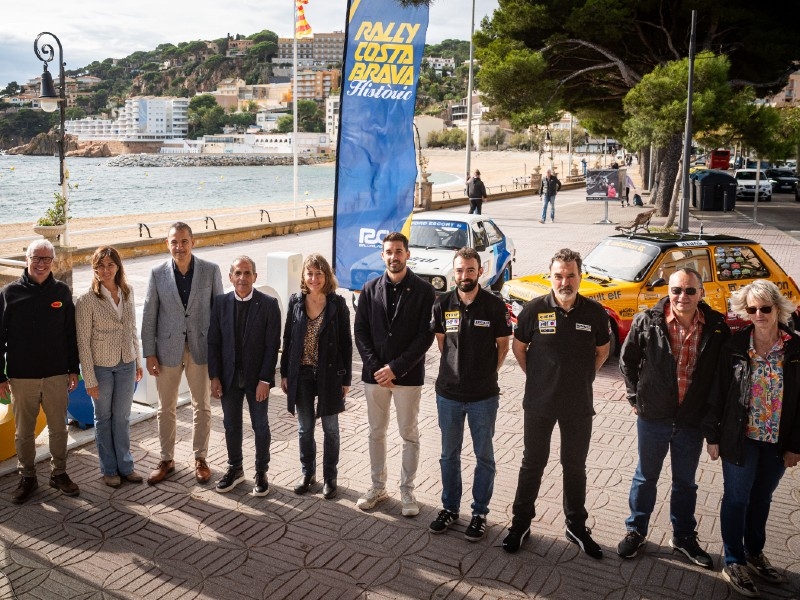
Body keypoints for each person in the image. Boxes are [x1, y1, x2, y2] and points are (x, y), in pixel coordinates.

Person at [617, 268, 730, 567]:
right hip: (653, 416)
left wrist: (712, 422)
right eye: (677, 290)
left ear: (701, 293)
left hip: (690, 421)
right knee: (645, 477)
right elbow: (627, 360)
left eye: (690, 291)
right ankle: (636, 531)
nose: (683, 297)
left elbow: (721, 378)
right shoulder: (647, 321)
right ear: (668, 291)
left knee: (685, 483)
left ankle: (683, 537)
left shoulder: (717, 327)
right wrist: (634, 397)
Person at [502, 248, 610, 558]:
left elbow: (602, 351)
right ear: (551, 276)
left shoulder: (594, 312)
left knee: (574, 467)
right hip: (539, 403)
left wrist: (582, 378)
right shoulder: (534, 310)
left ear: (580, 276)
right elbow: (519, 348)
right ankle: (520, 524)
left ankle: (576, 525)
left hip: (578, 405)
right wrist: (538, 378)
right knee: (532, 464)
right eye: (559, 275)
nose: (565, 281)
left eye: (571, 275)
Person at [704, 280, 800, 598]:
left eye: (765, 308)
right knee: (736, 498)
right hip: (740, 438)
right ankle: (733, 560)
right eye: (752, 309)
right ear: (745, 312)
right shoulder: (733, 346)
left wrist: (796, 445)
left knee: (763, 498)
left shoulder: (795, 349)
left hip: (777, 442)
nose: (759, 314)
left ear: (778, 308)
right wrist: (713, 436)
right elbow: (717, 393)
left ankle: (754, 553)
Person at [428, 247, 511, 541]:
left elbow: (503, 345)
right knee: (448, 455)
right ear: (455, 272)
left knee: (484, 456)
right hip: (448, 393)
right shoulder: (442, 304)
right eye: (460, 270)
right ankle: (450, 508)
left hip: (483, 396)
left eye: (470, 270)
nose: (464, 276)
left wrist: (488, 371)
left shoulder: (493, 305)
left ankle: (479, 513)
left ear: (480, 271)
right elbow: (442, 342)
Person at [354, 232, 435, 516]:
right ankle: (378, 486)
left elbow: (425, 336)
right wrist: (377, 368)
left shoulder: (424, 291)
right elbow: (360, 331)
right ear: (382, 255)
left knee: (408, 434)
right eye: (389, 252)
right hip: (374, 377)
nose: (394, 256)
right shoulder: (369, 288)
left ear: (407, 254)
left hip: (407, 377)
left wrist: (396, 368)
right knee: (376, 433)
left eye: (399, 251)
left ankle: (407, 490)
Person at [141, 222, 223, 485]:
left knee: (203, 406)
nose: (179, 246)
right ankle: (167, 459)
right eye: (174, 242)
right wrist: (149, 353)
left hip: (200, 349)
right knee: (166, 407)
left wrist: (218, 352)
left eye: (184, 241)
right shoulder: (157, 274)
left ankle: (201, 458)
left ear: (193, 242)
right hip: (167, 350)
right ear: (167, 244)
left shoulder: (211, 271)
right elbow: (149, 315)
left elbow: (219, 314)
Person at [0, 239, 80, 503]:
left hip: (57, 374)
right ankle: (28, 477)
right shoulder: (9, 294)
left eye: (47, 259)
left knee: (59, 429)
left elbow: (71, 333)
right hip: (22, 377)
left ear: (53, 262)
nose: (41, 264)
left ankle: (59, 473)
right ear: (27, 259)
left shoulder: (61, 292)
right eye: (37, 258)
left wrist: (72, 369)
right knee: (24, 432)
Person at [281, 253, 352, 500]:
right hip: (301, 374)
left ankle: (330, 478)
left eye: (319, 273)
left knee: (331, 428)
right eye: (309, 273)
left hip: (330, 375)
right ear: (304, 276)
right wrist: (284, 372)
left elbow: (346, 342)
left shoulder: (338, 304)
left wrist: (346, 379)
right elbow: (288, 338)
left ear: (326, 276)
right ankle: (307, 473)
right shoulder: (295, 302)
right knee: (305, 428)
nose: (314, 278)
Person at [208, 256, 280, 496]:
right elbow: (214, 342)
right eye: (237, 273)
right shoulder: (219, 303)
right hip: (228, 379)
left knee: (260, 426)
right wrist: (214, 376)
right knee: (231, 425)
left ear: (255, 277)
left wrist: (265, 380)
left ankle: (261, 471)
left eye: (247, 273)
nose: (242, 278)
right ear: (231, 277)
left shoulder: (269, 305)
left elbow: (272, 346)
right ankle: (235, 469)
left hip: (257, 380)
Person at [75, 246, 145, 488]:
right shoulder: (86, 300)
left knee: (123, 417)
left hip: (126, 363)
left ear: (118, 267)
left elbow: (131, 329)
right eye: (100, 266)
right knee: (103, 418)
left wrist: (137, 360)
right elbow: (82, 343)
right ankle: (109, 469)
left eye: (110, 265)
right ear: (95, 270)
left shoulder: (128, 292)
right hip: (101, 367)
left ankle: (127, 466)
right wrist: (90, 378)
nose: (105, 270)